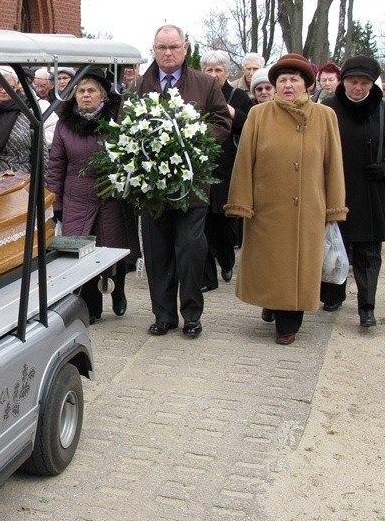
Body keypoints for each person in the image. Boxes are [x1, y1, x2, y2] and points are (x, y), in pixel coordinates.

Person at [225, 53, 347, 345]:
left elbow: (333, 164)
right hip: (267, 208)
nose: (288, 85)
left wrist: (334, 207)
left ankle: (288, 323)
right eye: (282, 80)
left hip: (309, 209)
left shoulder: (324, 116)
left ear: (307, 84)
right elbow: (244, 161)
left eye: (294, 80)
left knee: (299, 269)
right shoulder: (259, 114)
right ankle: (271, 301)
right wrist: (242, 201)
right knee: (271, 266)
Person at [136, 24, 232, 338]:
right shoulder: (140, 85)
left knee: (190, 249)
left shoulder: (204, 84)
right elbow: (125, 123)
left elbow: (221, 120)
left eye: (174, 47)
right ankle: (163, 315)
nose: (167, 53)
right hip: (153, 190)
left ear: (185, 48)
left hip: (191, 186)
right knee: (158, 253)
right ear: (153, 49)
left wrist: (193, 141)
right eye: (161, 48)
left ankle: (192, 314)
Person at [46, 69, 140, 323]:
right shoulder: (64, 126)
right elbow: (56, 164)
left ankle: (118, 289)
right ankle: (91, 306)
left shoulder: (116, 122)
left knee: (113, 250)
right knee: (82, 254)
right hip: (77, 198)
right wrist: (56, 202)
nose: (86, 95)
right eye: (81, 91)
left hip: (111, 196)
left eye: (92, 91)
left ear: (104, 96)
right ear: (74, 96)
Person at [319, 56, 385, 327]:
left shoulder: (381, 110)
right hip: (337, 188)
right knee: (336, 244)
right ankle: (333, 295)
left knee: (369, 250)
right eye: (352, 82)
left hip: (372, 192)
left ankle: (367, 307)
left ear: (372, 84)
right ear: (343, 82)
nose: (358, 88)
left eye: (364, 83)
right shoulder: (327, 109)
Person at [200, 50, 253, 290]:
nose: (213, 75)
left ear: (227, 73)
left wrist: (231, 111)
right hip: (201, 169)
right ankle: (208, 278)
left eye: (218, 70)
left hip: (228, 168)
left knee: (225, 225)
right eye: (209, 70)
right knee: (202, 224)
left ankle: (227, 261)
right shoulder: (197, 95)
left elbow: (250, 125)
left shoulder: (238, 96)